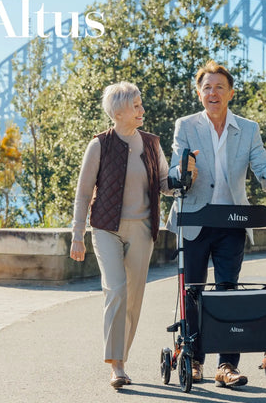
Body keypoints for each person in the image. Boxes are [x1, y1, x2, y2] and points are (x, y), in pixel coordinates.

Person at [166, 60, 266, 388]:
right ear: (199, 93)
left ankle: (227, 365)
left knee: (228, 292)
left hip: (233, 221)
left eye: (219, 87)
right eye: (207, 87)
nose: (213, 92)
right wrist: (183, 171)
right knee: (192, 291)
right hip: (194, 220)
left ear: (230, 93)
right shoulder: (186, 126)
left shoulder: (247, 129)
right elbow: (173, 172)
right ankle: (193, 359)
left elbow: (261, 165)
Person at [70, 81, 172, 389]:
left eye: (141, 105)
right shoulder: (99, 144)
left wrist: (185, 177)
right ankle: (116, 365)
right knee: (116, 290)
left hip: (142, 228)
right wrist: (77, 235)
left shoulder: (152, 144)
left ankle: (122, 357)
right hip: (106, 228)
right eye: (136, 106)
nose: (142, 110)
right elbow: (83, 192)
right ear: (118, 112)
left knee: (134, 298)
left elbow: (166, 182)